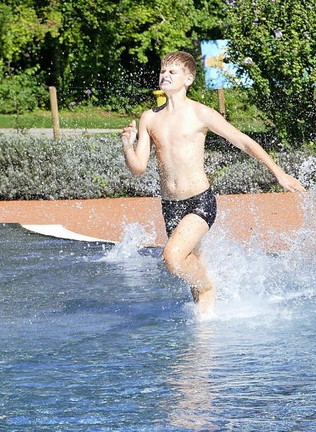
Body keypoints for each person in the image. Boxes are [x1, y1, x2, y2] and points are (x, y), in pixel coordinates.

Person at [120, 51, 305, 316]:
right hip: (170, 206)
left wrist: (278, 173)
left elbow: (243, 141)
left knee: (173, 258)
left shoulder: (200, 113)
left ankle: (208, 289)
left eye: (172, 72)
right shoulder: (149, 117)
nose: (165, 75)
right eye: (163, 70)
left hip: (199, 202)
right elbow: (138, 168)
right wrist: (128, 145)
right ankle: (205, 335)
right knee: (191, 261)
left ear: (188, 79)